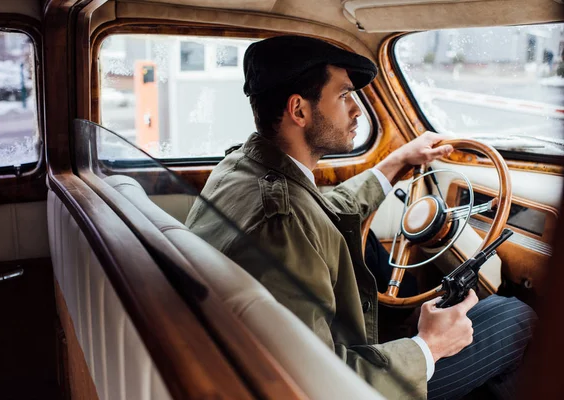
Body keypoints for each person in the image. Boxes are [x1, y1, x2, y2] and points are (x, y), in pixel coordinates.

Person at [186, 35, 536, 399]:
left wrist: (398, 161)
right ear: (299, 110)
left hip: (282, 360)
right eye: (344, 95)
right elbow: (312, 380)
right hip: (340, 383)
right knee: (514, 319)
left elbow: (325, 209)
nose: (356, 110)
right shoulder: (282, 224)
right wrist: (427, 347)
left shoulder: (242, 168)